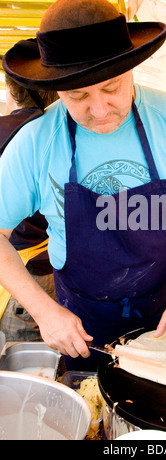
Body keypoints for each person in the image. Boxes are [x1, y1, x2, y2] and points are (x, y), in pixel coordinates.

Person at [0, 0, 166, 370]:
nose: (99, 110)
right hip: (83, 323)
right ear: (56, 87)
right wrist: (43, 311)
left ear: (132, 68)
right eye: (78, 95)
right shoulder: (36, 141)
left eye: (112, 87)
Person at [0, 75, 58, 342]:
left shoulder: (6, 129)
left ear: (12, 90)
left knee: (16, 348)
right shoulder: (62, 131)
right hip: (51, 262)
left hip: (17, 264)